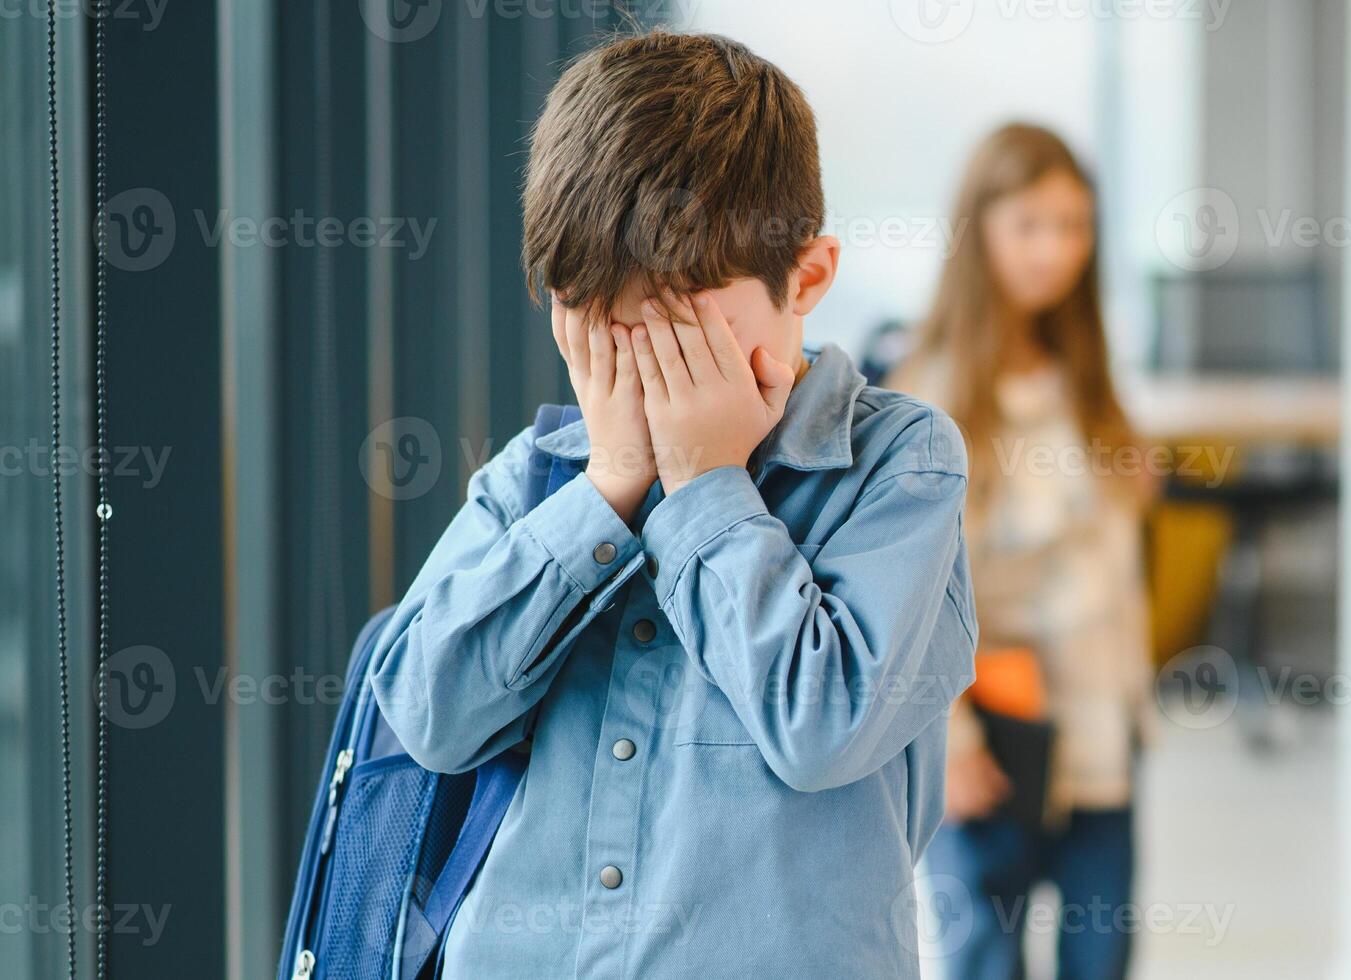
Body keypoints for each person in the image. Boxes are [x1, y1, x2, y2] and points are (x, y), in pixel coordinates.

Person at [369, 30, 979, 979]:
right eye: (610, 328)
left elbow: (824, 728)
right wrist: (607, 487)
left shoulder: (899, 464)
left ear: (806, 278)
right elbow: (426, 716)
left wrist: (704, 486)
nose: (646, 370)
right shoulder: (545, 470)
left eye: (680, 327)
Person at [888, 123, 1155, 980]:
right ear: (981, 231)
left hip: (1102, 722)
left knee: (1099, 955)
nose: (1055, 251)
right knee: (985, 957)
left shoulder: (1085, 376)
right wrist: (949, 739)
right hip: (994, 735)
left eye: (1073, 226)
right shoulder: (925, 397)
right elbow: (911, 593)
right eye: (1029, 225)